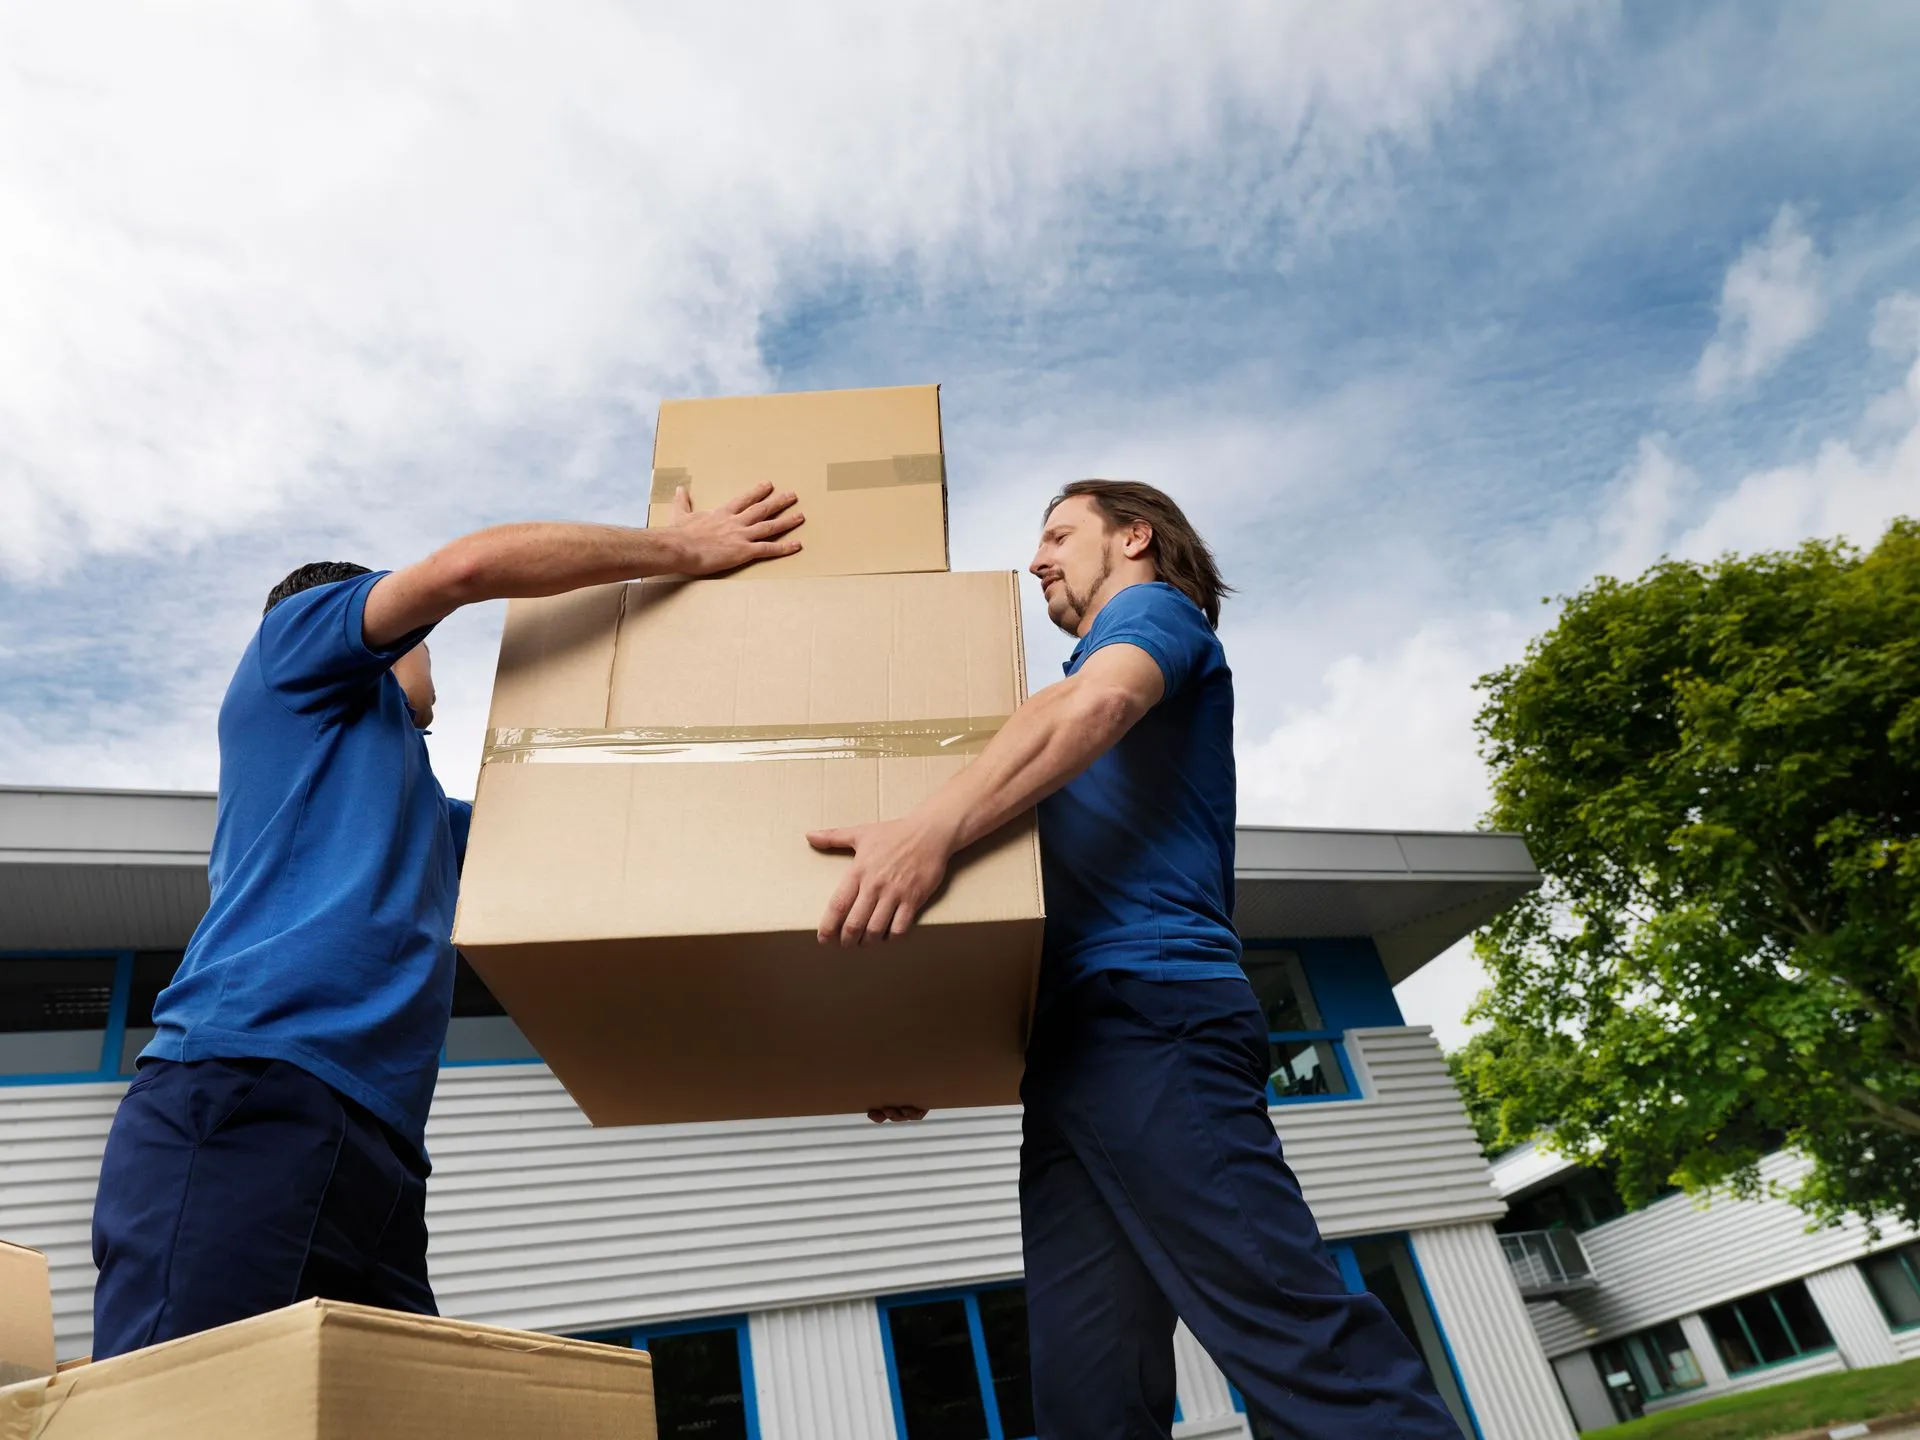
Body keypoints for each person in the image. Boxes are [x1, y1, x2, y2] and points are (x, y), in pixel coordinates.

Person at [89, 482, 804, 1360]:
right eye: (421, 641)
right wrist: (679, 551)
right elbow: (468, 567)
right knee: (190, 1411)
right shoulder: (293, 645)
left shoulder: (429, 815)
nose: (437, 665)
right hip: (249, 1094)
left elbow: (623, 841)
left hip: (378, 1150)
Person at [808, 480, 1462, 1438]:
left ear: (1136, 538)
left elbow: (1105, 702)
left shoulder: (1158, 619)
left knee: (1295, 1341)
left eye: (1060, 534)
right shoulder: (1042, 728)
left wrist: (929, 829)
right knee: (1089, 1394)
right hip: (1075, 1054)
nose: (1037, 559)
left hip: (1158, 1015)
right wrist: (938, 1053)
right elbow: (1033, 920)